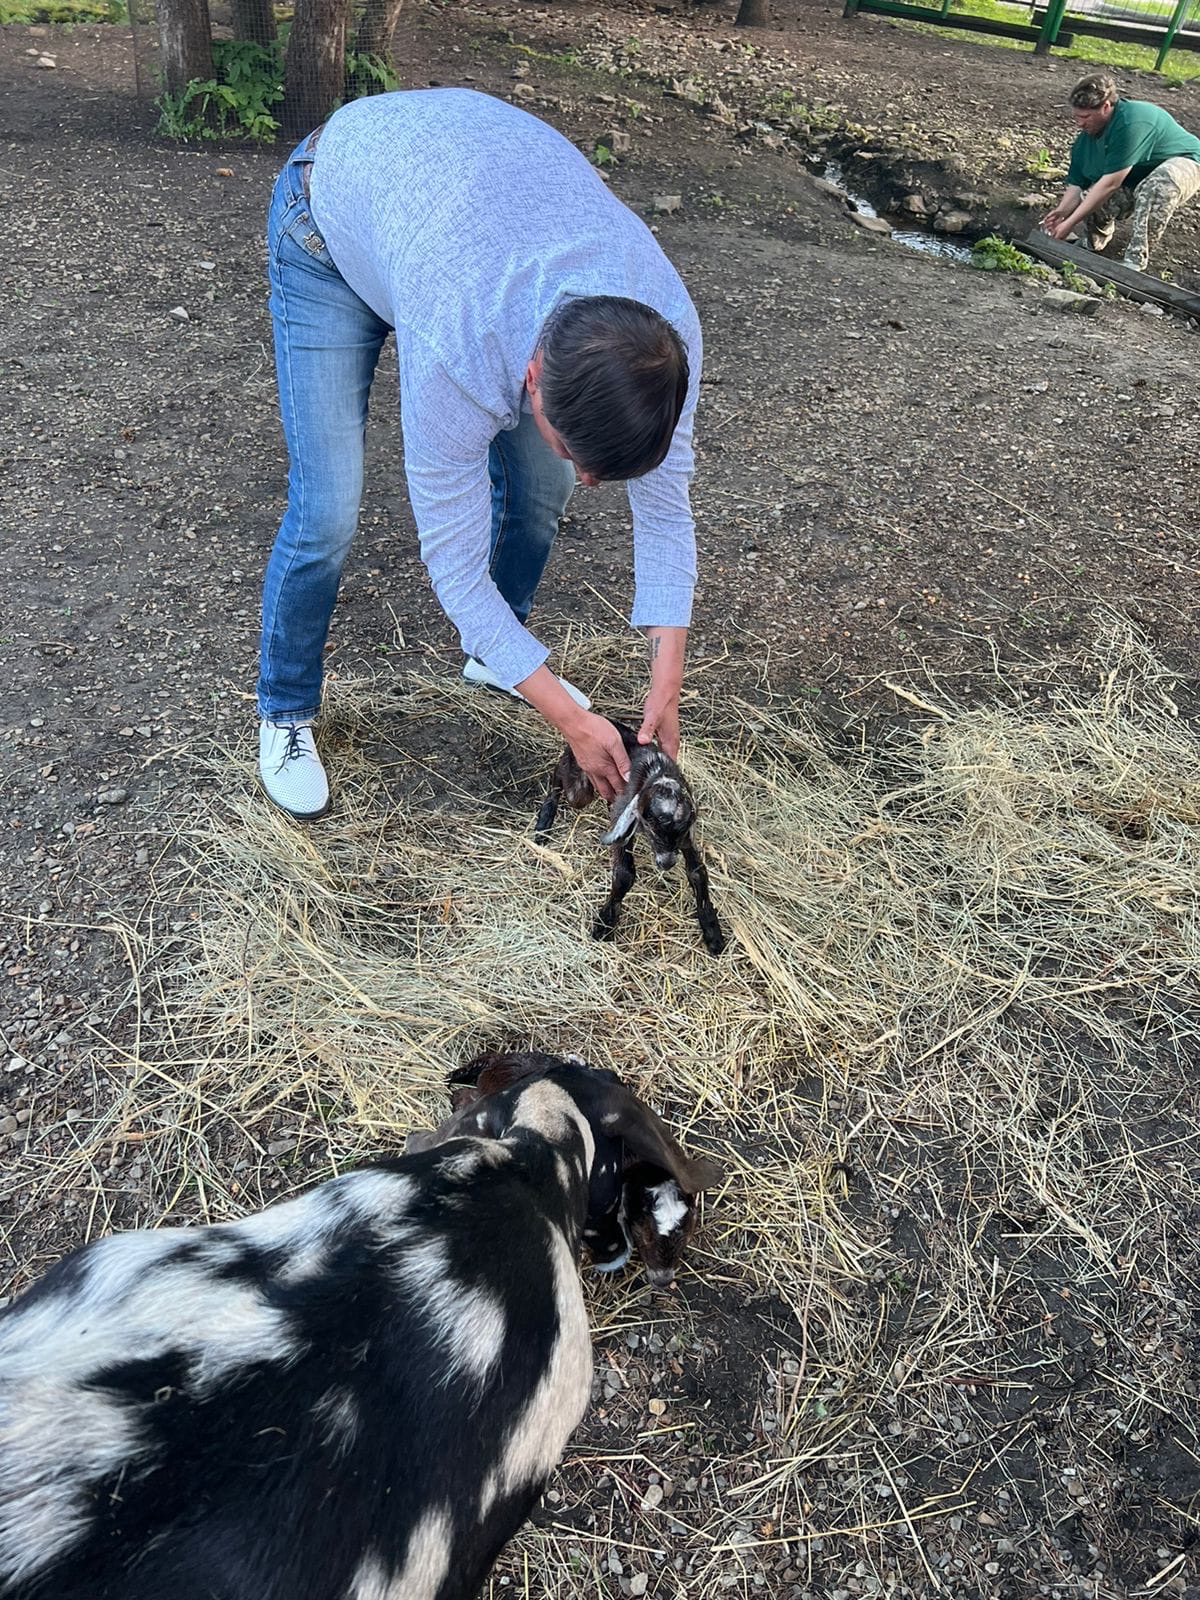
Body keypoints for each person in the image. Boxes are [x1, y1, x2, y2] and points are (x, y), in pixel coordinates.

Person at [256, 88, 702, 821]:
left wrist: (667, 683)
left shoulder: (663, 344)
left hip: (457, 212)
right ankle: (285, 712)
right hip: (329, 222)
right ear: (532, 380)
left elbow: (665, 518)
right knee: (329, 507)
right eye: (578, 450)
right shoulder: (460, 350)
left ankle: (502, 654)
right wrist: (569, 719)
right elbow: (454, 567)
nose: (593, 482)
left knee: (541, 488)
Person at [1041, 72, 1200, 270]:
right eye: (1077, 116)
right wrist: (1061, 213)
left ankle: (1135, 261)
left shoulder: (1130, 122)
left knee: (1157, 185)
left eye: (1086, 117)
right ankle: (1093, 243)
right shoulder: (1084, 142)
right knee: (1090, 194)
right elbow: (1076, 185)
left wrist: (1071, 223)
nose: (1080, 123)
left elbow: (1111, 183)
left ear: (1106, 107)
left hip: (1186, 163)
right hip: (1136, 174)